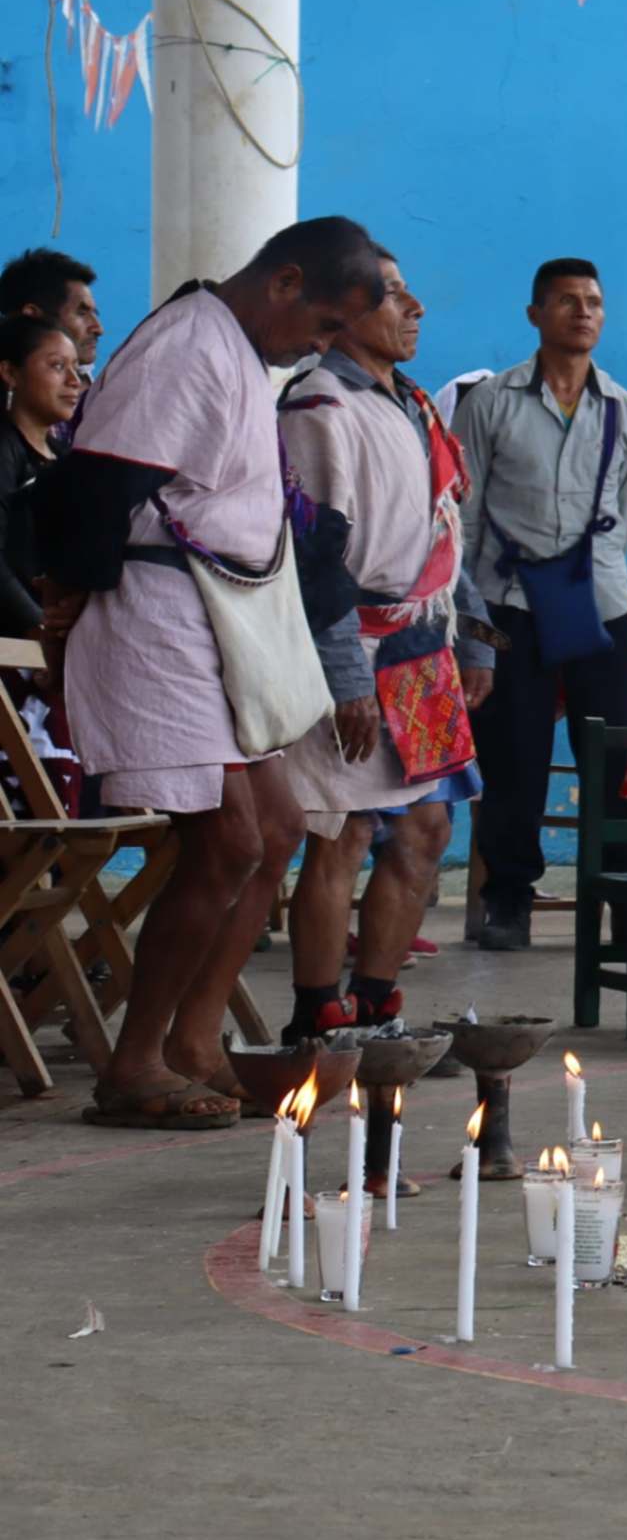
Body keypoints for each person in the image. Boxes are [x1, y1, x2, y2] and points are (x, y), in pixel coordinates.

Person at [41, 216, 389, 1126]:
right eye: (319, 327)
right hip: (158, 613)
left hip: (218, 614)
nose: (316, 349)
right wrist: (71, 593)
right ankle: (134, 1063)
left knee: (274, 828)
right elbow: (97, 485)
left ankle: (194, 1039)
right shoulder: (190, 344)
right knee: (229, 839)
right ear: (284, 283)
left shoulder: (238, 348)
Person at [270, 253, 494, 1041]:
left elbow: (445, 530)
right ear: (344, 308)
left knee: (429, 829)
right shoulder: (318, 405)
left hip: (423, 648)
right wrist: (341, 677)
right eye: (393, 293)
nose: (416, 305)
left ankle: (374, 1000)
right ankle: (316, 1012)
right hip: (356, 651)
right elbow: (314, 554)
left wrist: (476, 641)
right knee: (346, 831)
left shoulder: (416, 406)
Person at [452, 257, 627, 954]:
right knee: (513, 761)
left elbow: (622, 522)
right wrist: (472, 635)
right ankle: (509, 898)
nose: (583, 312)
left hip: (599, 604)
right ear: (535, 314)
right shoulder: (491, 403)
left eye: (594, 301)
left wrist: (582, 579)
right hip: (508, 604)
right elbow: (467, 527)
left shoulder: (626, 411)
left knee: (618, 759)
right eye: (566, 301)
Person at [0, 314, 86, 634]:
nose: (74, 380)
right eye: (57, 366)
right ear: (10, 372)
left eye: (75, 367)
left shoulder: (67, 457)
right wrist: (41, 627)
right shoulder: (5, 449)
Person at [0, 244, 102, 403]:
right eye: (81, 313)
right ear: (33, 316)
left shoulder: (91, 385)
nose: (98, 328)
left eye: (95, 314)